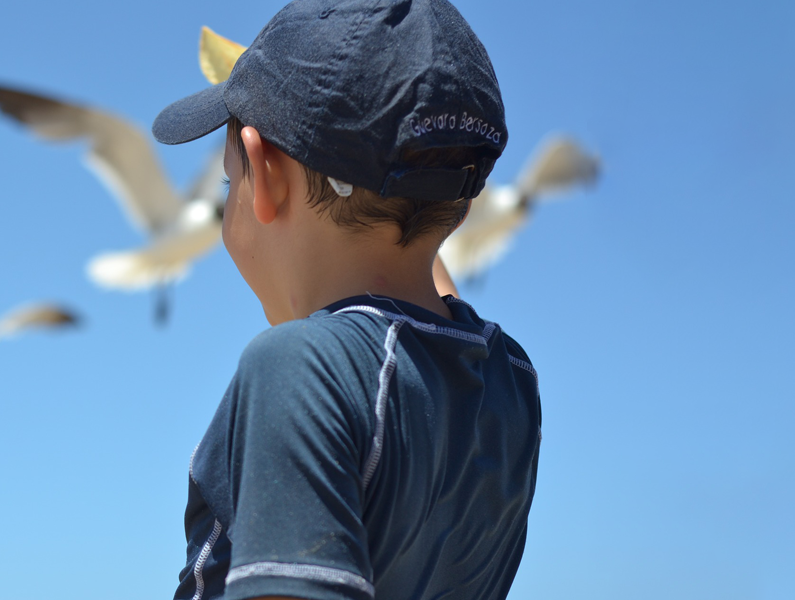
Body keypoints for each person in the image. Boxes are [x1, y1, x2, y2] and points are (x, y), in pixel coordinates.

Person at [151, 1, 542, 599]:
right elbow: (421, 288)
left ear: (265, 170)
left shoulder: (299, 370)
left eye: (231, 179)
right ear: (462, 205)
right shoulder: (509, 381)